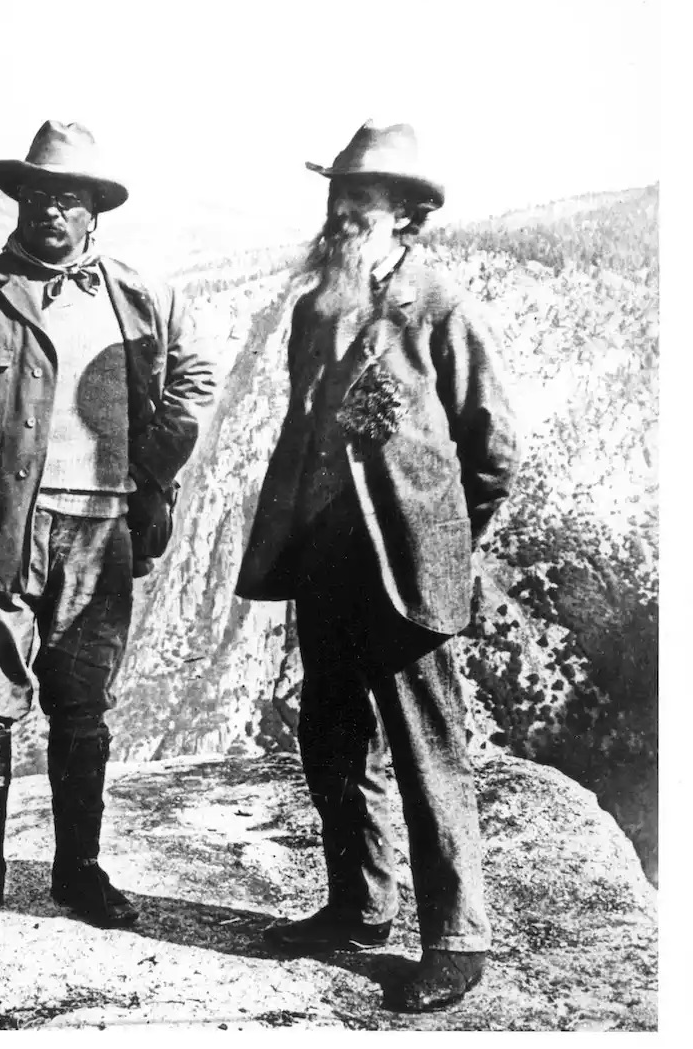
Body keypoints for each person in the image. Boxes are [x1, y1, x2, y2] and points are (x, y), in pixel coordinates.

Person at [0, 120, 215, 937]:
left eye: (67, 199)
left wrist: (150, 465)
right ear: (19, 202)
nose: (51, 211)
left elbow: (196, 381)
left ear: (93, 215)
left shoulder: (144, 297)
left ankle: (79, 873)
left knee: (82, 709)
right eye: (38, 195)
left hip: (103, 531)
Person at [236, 122, 520, 1013]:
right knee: (331, 736)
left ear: (407, 215)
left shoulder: (438, 306)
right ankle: (359, 907)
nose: (342, 214)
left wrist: (440, 534)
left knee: (426, 749)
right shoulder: (317, 307)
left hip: (406, 571)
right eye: (338, 199)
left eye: (361, 202)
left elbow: (495, 447)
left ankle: (458, 940)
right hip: (324, 561)